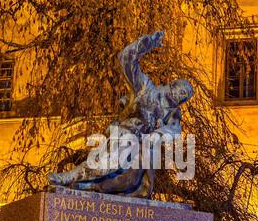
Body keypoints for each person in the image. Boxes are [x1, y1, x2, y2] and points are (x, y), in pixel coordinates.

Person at [49, 30, 193, 197]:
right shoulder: (146, 88)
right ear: (172, 85)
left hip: (141, 150)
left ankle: (84, 187)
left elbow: (173, 131)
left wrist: (157, 134)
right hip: (126, 135)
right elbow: (126, 58)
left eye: (185, 96)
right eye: (182, 91)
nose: (181, 97)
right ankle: (66, 178)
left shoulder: (172, 114)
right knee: (107, 165)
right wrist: (144, 45)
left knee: (127, 181)